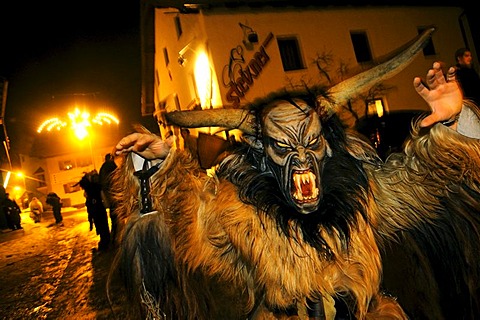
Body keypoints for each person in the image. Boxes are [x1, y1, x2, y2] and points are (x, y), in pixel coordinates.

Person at [110, 59, 480, 320]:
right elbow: (187, 218)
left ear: (328, 146)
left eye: (312, 144)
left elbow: (423, 179)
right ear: (262, 152)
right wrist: (159, 165)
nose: (301, 160)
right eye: (284, 147)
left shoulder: (364, 194)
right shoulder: (237, 213)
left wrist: (452, 119)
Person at [77, 170, 111, 251]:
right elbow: (103, 197)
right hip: (100, 209)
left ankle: (104, 242)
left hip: (94, 210)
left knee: (99, 226)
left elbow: (85, 196)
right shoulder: (98, 186)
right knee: (104, 226)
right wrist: (106, 204)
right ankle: (105, 243)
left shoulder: (88, 188)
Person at [99, 153, 118, 245]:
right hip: (113, 192)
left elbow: (101, 181)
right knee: (116, 214)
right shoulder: (111, 166)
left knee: (113, 213)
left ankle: (114, 234)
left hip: (108, 192)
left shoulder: (103, 167)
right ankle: (116, 234)